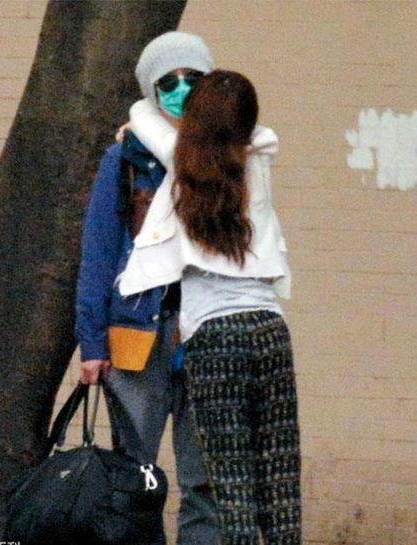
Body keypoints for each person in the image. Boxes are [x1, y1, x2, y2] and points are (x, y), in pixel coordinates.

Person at [117, 70, 302, 544]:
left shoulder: (182, 164)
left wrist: (144, 124)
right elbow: (258, 132)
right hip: (269, 328)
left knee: (231, 481)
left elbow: (142, 112)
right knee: (280, 475)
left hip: (214, 339)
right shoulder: (258, 160)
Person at [74, 32, 221, 545]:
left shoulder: (232, 158)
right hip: (137, 339)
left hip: (209, 335)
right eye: (169, 82)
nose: (182, 90)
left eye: (193, 78)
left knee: (206, 483)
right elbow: (98, 253)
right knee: (135, 480)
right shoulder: (125, 159)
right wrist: (92, 343)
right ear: (151, 91)